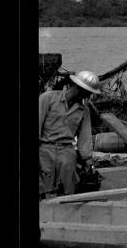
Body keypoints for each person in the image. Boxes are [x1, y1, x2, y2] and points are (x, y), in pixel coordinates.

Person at [39, 69, 100, 198]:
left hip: (67, 152)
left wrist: (89, 161)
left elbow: (85, 138)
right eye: (86, 93)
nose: (87, 97)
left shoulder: (84, 110)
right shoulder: (47, 98)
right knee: (44, 190)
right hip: (45, 150)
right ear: (77, 88)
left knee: (67, 192)